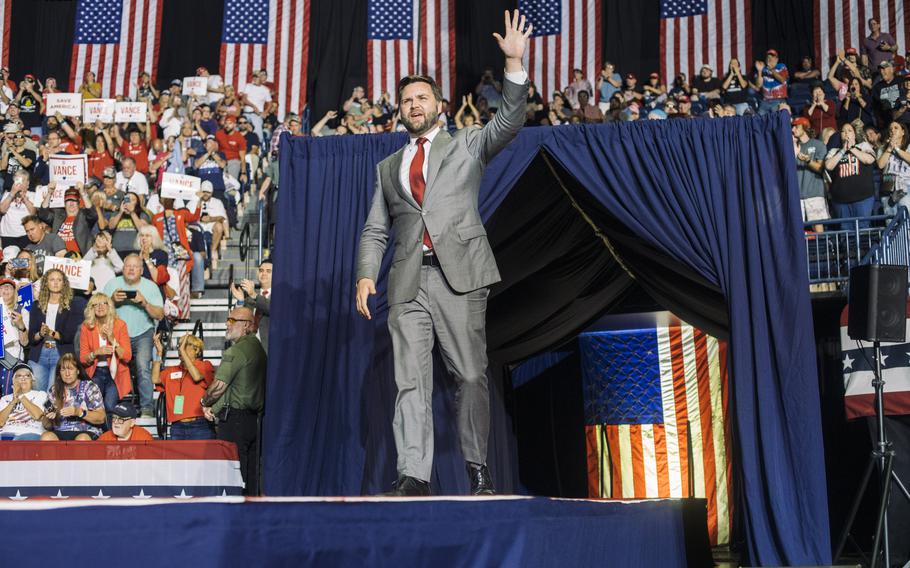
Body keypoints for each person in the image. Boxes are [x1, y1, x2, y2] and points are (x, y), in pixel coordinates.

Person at [355, 10, 530, 497]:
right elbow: (375, 229)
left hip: (461, 278)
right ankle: (413, 475)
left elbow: (510, 121)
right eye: (407, 100)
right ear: (401, 110)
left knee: (471, 375)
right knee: (409, 381)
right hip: (407, 283)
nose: (414, 105)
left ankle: (478, 468)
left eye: (422, 97)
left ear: (439, 104)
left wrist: (514, 64)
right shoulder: (388, 167)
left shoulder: (468, 144)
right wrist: (365, 275)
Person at [200, 307, 266, 495]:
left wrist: (204, 402)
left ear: (246, 325)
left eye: (232, 321)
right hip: (254, 422)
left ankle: (233, 517)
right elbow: (236, 388)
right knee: (251, 474)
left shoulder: (235, 352)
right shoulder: (259, 349)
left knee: (232, 473)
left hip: (235, 421)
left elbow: (219, 386)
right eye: (227, 320)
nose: (227, 324)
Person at [103, 255, 165, 417]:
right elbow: (97, 310)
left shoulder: (150, 286)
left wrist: (144, 302)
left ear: (141, 270)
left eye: (135, 266)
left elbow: (160, 315)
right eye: (128, 266)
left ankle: (146, 408)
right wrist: (111, 300)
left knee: (143, 366)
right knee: (112, 369)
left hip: (143, 333)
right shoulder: (112, 284)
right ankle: (114, 407)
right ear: (122, 269)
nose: (131, 269)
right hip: (116, 334)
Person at [25, 268, 85, 392]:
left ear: (64, 283)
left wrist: (50, 332)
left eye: (59, 280)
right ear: (46, 283)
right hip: (39, 354)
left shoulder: (72, 306)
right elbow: (32, 338)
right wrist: (41, 334)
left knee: (52, 392)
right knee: (37, 392)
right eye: (52, 279)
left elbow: (68, 337)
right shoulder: (36, 306)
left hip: (60, 354)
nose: (56, 282)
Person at [152, 333, 215, 440]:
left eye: (186, 345)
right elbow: (155, 379)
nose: (181, 348)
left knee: (201, 456)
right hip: (177, 426)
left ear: (197, 350)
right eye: (180, 345)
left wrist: (183, 352)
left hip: (200, 424)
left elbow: (196, 377)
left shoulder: (205, 365)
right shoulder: (172, 370)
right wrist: (159, 353)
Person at [80, 292, 132, 415]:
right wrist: (96, 353)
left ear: (109, 307)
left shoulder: (120, 325)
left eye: (104, 303)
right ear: (91, 309)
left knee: (109, 405)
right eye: (96, 304)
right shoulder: (86, 327)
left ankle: (109, 434)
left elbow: (127, 356)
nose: (100, 306)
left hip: (116, 372)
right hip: (95, 372)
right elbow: (83, 358)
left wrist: (112, 338)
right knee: (95, 406)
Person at [41, 353, 105, 441]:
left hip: (86, 430)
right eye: (63, 370)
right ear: (59, 373)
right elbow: (46, 425)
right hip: (61, 430)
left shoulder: (89, 387)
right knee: (46, 437)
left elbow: (101, 418)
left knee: (82, 439)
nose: (67, 373)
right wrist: (49, 418)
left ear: (78, 371)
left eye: (70, 369)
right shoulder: (54, 390)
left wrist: (79, 412)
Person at [824, 121, 877, 226]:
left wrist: (852, 148)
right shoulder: (834, 151)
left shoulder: (863, 146)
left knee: (863, 232)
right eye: (843, 131)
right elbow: (828, 165)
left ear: (854, 134)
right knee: (846, 235)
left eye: (849, 130)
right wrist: (843, 150)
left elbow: (869, 160)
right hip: (841, 201)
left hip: (863, 199)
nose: (846, 133)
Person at [792, 117, 829, 232]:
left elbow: (820, 168)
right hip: (796, 196)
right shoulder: (790, 147)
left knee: (818, 227)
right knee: (797, 230)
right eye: (792, 126)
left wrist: (807, 160)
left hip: (814, 194)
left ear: (805, 127)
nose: (793, 129)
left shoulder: (818, 144)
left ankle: (823, 249)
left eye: (796, 126)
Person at [230, 259, 272, 353]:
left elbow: (272, 309)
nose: (263, 273)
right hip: (249, 350)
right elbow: (234, 322)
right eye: (261, 270)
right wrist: (240, 301)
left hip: (269, 351)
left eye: (268, 271)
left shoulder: (281, 296)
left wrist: (254, 295)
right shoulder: (249, 299)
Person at [0, 364, 50, 440]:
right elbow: (0, 422)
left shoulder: (41, 395)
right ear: (13, 381)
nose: (23, 378)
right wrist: (13, 402)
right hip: (6, 434)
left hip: (31, 433)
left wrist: (21, 395)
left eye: (27, 376)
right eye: (19, 376)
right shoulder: (4, 399)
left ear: (32, 380)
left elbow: (37, 415)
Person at [0, 278, 28, 395]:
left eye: (9, 287)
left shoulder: (22, 311)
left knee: (7, 395)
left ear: (14, 292)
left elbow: (25, 343)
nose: (5, 290)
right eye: (2, 287)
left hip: (11, 359)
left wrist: (21, 325)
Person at [876, 121, 910, 215]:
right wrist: (890, 148)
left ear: (903, 132)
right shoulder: (883, 148)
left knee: (906, 218)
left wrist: (897, 149)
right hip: (888, 187)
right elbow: (880, 165)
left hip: (906, 186)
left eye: (896, 128)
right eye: (890, 129)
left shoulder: (908, 147)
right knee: (890, 221)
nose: (892, 130)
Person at [0, 169, 38, 249]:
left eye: (22, 180)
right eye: (17, 180)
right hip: (8, 235)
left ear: (27, 183)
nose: (19, 183)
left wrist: (24, 197)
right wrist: (12, 193)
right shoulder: (7, 194)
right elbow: (2, 210)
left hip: (26, 234)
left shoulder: (32, 195)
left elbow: (33, 212)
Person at [752, 49, 789, 114]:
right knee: (760, 120)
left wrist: (771, 70)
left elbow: (782, 80)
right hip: (765, 100)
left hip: (778, 100)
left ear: (777, 59)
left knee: (776, 121)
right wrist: (759, 71)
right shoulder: (762, 69)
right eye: (768, 57)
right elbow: (758, 85)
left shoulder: (781, 66)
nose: (770, 59)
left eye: (772, 57)